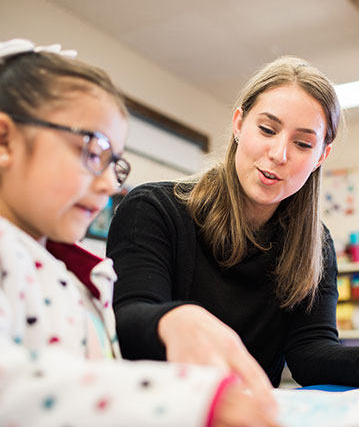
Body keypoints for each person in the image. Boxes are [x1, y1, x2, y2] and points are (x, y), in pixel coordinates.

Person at [107, 55, 359, 393]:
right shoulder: (153, 209)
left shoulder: (315, 244)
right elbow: (126, 320)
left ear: (321, 156)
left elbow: (310, 352)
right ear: (238, 123)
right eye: (267, 129)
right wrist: (172, 322)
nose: (279, 153)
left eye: (303, 143)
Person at [0, 38, 280, 427]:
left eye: (114, 163)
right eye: (91, 151)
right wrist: (196, 400)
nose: (109, 185)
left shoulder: (76, 274)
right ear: (4, 140)